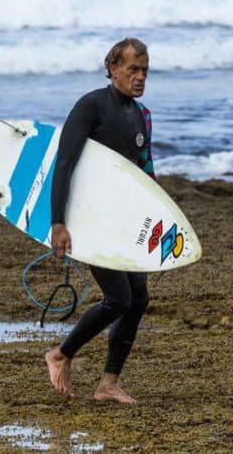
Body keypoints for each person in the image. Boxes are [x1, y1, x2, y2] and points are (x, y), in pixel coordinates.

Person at [44, 37, 155, 404]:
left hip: (123, 221)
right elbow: (64, 163)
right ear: (112, 69)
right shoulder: (90, 106)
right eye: (132, 70)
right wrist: (58, 222)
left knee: (138, 298)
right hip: (89, 220)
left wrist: (158, 226)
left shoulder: (141, 115)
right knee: (119, 299)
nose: (139, 78)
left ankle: (107, 384)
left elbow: (145, 175)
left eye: (144, 71)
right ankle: (60, 354)